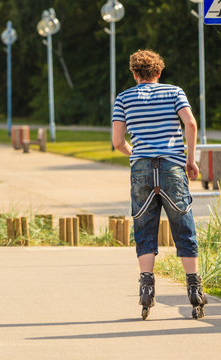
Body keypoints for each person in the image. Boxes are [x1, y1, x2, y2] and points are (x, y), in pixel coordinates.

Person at [112, 49, 207, 320]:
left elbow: (118, 143)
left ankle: (146, 288)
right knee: (184, 228)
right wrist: (189, 160)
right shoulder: (175, 92)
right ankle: (194, 290)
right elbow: (190, 123)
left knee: (145, 230)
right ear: (159, 72)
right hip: (172, 168)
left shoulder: (123, 98)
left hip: (141, 170)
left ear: (134, 73)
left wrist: (138, 154)